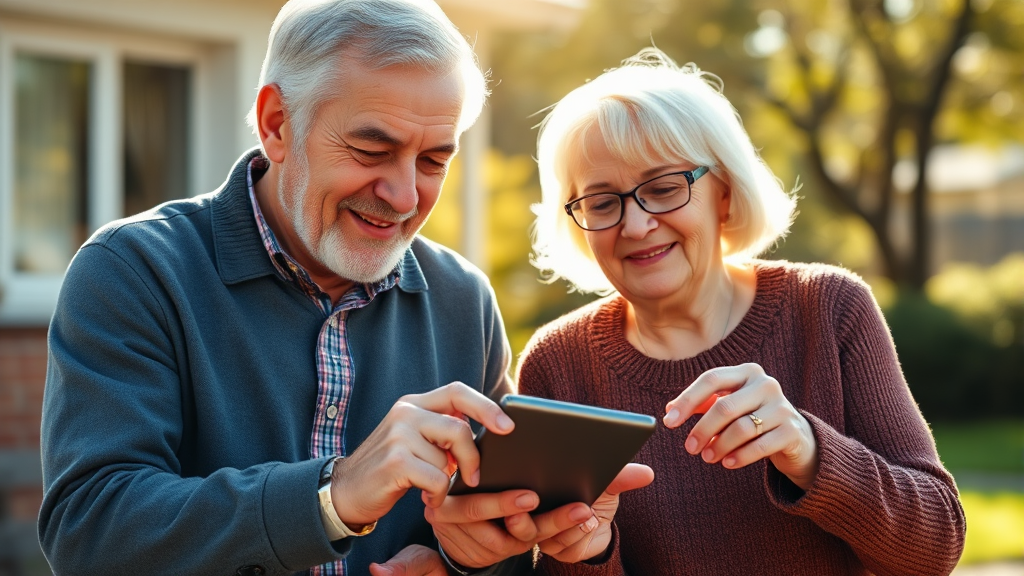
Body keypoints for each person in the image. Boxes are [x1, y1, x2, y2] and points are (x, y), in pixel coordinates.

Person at [38, 1, 651, 574]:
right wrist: (332, 496)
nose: (406, 196)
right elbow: (89, 530)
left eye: (434, 161)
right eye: (370, 148)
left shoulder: (464, 299)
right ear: (276, 124)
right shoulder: (135, 271)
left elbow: (494, 542)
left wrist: (467, 562)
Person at [517, 47, 966, 575]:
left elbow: (935, 551)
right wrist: (585, 552)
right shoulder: (557, 363)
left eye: (664, 189)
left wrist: (810, 451)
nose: (635, 226)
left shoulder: (827, 308)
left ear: (724, 194)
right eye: (602, 202)